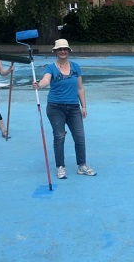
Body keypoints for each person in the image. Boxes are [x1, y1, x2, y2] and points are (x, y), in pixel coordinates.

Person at [32, 39, 96, 179]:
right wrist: (39, 85)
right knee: (59, 136)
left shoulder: (75, 67)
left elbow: (80, 88)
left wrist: (84, 106)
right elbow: (46, 80)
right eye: (59, 49)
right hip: (55, 108)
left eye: (65, 49)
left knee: (80, 137)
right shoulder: (51, 67)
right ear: (55, 51)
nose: (62, 51)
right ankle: (60, 166)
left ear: (68, 51)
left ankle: (82, 165)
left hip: (73, 107)